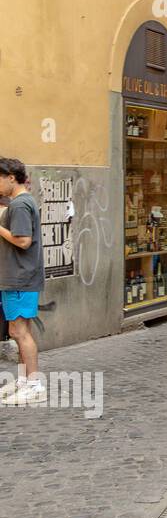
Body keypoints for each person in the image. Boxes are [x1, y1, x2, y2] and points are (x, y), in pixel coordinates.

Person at [0, 159, 45, 405]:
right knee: (16, 331)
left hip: (20, 277)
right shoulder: (21, 203)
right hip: (17, 277)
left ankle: (34, 385)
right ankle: (23, 381)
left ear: (10, 177)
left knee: (20, 332)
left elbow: (23, 241)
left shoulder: (19, 204)